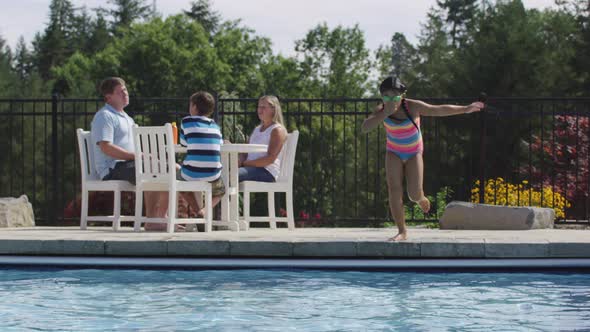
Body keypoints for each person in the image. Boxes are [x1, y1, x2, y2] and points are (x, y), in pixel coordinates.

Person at [361, 76, 484, 241]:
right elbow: (365, 127)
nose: (391, 100)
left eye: (395, 96)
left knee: (413, 194)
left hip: (413, 152)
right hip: (393, 152)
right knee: (394, 190)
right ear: (382, 97)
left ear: (402, 95)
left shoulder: (412, 106)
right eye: (387, 96)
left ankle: (420, 198)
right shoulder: (380, 110)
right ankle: (402, 231)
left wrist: (466, 108)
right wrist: (384, 114)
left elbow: (438, 110)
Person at [90, 77, 167, 230]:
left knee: (170, 169)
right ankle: (153, 220)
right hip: (112, 169)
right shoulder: (104, 116)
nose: (125, 94)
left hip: (129, 164)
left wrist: (146, 157)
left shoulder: (128, 118)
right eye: (120, 92)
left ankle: (160, 218)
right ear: (108, 97)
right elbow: (106, 147)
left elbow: (132, 149)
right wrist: (137, 157)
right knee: (153, 170)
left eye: (125, 90)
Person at [177, 91, 225, 219]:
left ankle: (198, 210)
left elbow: (183, 143)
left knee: (178, 182)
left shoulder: (186, 121)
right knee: (221, 191)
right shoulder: (215, 125)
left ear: (194, 107)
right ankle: (205, 210)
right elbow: (220, 144)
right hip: (212, 174)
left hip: (191, 173)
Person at [238, 95, 288, 182]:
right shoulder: (257, 129)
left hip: (266, 171)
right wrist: (238, 162)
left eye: (263, 107)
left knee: (232, 176)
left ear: (273, 109)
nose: (260, 110)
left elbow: (270, 159)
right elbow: (245, 152)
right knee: (224, 173)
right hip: (250, 168)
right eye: (259, 107)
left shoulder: (277, 130)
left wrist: (245, 163)